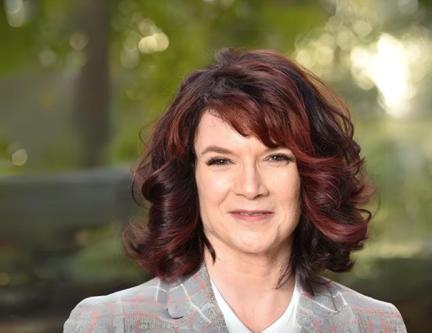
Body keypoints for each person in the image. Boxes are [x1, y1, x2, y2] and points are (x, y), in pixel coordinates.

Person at [64, 48, 407, 332]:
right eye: (221, 161)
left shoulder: (375, 324)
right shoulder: (109, 323)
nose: (250, 187)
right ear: (189, 177)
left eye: (275, 158)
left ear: (311, 175)